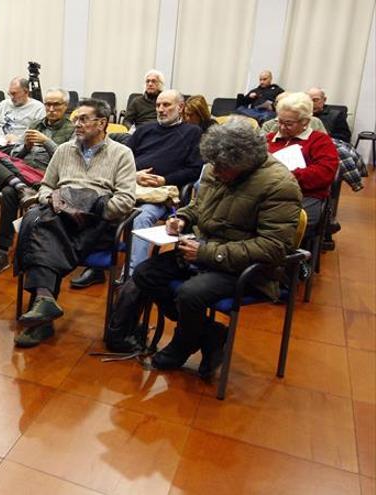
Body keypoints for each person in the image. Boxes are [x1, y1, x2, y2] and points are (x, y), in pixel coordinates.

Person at [105, 121, 302, 378]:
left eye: (223, 169)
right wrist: (183, 219)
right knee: (145, 273)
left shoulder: (279, 185)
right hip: (202, 252)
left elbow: (274, 247)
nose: (216, 173)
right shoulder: (216, 167)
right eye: (214, 166)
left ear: (245, 163)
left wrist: (207, 253)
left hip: (246, 267)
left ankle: (182, 345)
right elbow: (199, 206)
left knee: (191, 293)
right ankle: (209, 334)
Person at [13, 98, 136, 348]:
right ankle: (43, 304)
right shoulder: (64, 150)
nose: (76, 125)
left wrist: (90, 208)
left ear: (103, 123)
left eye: (83, 119)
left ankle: (42, 315)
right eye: (75, 119)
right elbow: (46, 186)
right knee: (42, 221)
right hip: (60, 213)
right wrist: (55, 200)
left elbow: (125, 200)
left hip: (97, 222)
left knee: (40, 229)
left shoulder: (121, 154)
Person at [74, 90, 203, 288]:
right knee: (100, 204)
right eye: (158, 105)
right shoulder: (145, 130)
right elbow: (120, 157)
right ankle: (95, 268)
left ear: (180, 107)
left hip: (160, 194)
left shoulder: (192, 133)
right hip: (129, 183)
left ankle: (133, 277)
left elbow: (194, 170)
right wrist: (133, 175)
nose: (161, 109)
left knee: (141, 217)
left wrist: (164, 179)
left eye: (167, 105)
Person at [0, 88, 75, 275]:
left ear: (65, 106)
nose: (50, 108)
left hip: (46, 176)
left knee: (9, 192)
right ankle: (3, 249)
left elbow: (68, 161)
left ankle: (4, 250)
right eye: (48, 104)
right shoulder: (36, 124)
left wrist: (47, 142)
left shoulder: (72, 129)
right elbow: (16, 154)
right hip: (22, 171)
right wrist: (25, 146)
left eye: (56, 104)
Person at [266, 92, 338, 232]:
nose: (281, 127)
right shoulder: (268, 139)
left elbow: (324, 173)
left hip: (303, 196)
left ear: (305, 122)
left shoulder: (320, 141)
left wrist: (283, 176)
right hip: (265, 194)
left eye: (288, 124)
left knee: (276, 224)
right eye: (279, 121)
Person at [0, 77, 46, 146]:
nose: (11, 97)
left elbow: (37, 135)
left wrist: (18, 140)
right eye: (9, 94)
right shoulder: (3, 104)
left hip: (19, 146)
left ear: (26, 92)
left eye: (14, 94)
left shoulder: (38, 108)